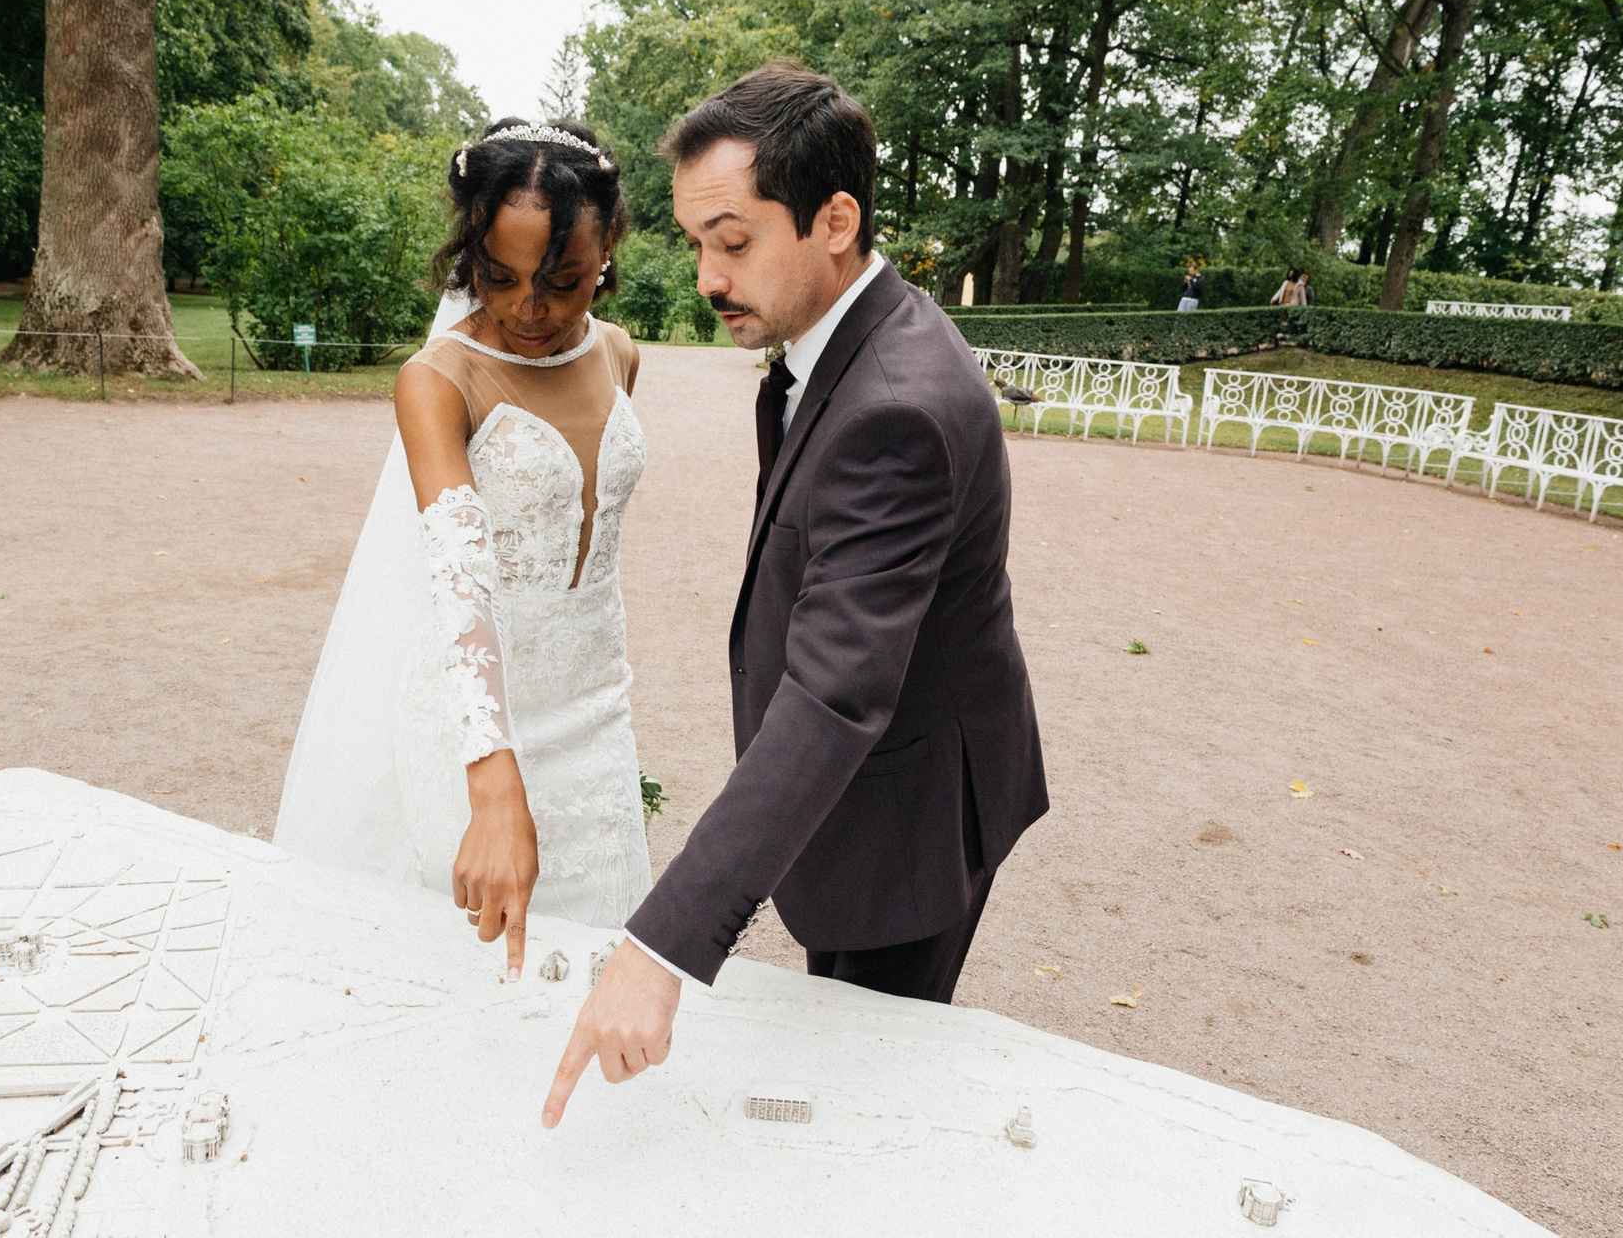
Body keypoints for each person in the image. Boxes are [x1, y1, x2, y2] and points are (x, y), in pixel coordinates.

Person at [543, 64, 1048, 1128]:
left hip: (904, 823)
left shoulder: (894, 409)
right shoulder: (854, 335)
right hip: (885, 787)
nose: (707, 277)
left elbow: (832, 694)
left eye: (733, 242)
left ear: (836, 221)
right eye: (695, 243)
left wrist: (659, 946)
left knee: (861, 1102)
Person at [273, 118, 652, 983]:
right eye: (499, 276)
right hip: (476, 730)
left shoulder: (621, 355)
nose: (529, 307)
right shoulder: (438, 379)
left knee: (596, 977)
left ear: (606, 252)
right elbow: (459, 579)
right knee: (476, 988)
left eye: (562, 280)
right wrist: (492, 780)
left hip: (597, 720)